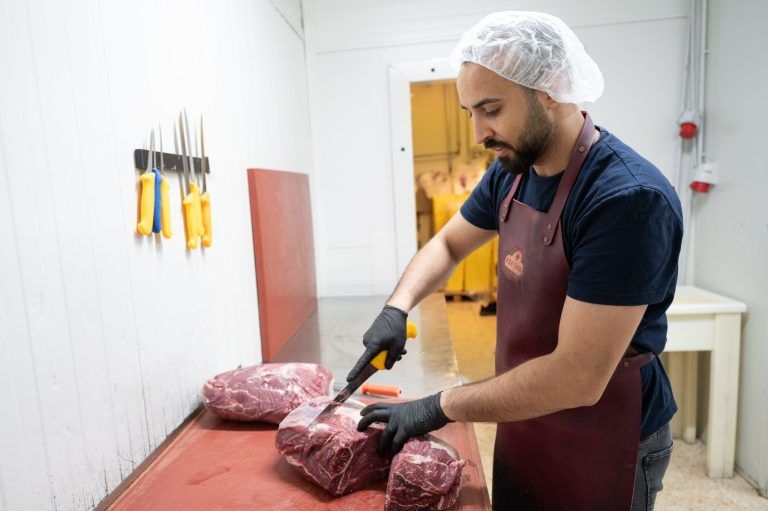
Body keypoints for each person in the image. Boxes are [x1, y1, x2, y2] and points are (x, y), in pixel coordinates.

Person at [351, 11, 683, 511]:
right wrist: (397, 308)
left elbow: (577, 376)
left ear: (550, 89)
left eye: (491, 109)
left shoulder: (625, 199)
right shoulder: (513, 170)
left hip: (604, 429)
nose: (479, 132)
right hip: (524, 409)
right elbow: (447, 245)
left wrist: (439, 406)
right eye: (470, 112)